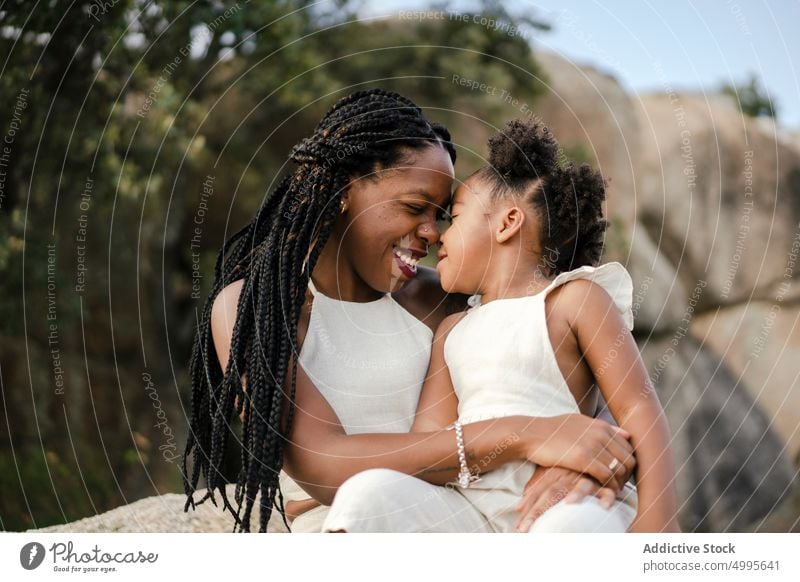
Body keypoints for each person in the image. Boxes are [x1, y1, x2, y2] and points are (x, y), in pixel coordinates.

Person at [182, 89, 636, 533]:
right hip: (359, 523)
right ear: (344, 190)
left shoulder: (442, 299)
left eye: (441, 215)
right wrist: (526, 435)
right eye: (415, 207)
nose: (432, 233)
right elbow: (322, 463)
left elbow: (557, 360)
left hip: (470, 515)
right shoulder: (255, 309)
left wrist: (589, 457)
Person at [320, 119, 679, 533]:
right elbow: (427, 443)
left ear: (507, 223)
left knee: (570, 530)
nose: (437, 237)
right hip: (468, 510)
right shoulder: (452, 330)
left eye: (452, 218)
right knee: (368, 495)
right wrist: (324, 491)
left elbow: (637, 406)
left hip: (560, 503)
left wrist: (659, 517)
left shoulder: (573, 299)